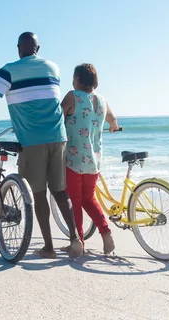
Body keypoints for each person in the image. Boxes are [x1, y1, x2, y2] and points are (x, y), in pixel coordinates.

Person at [0, 32, 84, 259]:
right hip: (58, 136)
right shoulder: (53, 67)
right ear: (38, 48)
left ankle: (49, 248)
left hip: (33, 140)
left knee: (38, 194)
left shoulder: (9, 70)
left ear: (18, 49)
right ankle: (75, 240)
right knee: (60, 192)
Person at [60, 63, 119, 254]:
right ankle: (106, 233)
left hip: (73, 159)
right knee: (89, 198)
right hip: (94, 160)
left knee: (74, 201)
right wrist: (113, 127)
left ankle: (77, 242)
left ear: (77, 78)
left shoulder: (72, 96)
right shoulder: (102, 99)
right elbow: (112, 119)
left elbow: (56, 118)